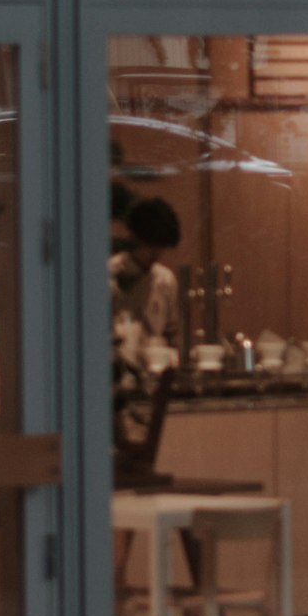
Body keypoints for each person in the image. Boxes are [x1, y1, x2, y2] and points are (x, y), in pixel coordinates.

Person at [110, 196, 185, 480]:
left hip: (152, 384)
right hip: (120, 388)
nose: (156, 254)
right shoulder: (110, 275)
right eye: (152, 246)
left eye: (161, 247)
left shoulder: (165, 280)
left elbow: (172, 333)